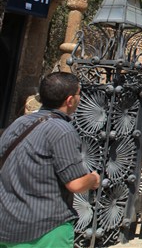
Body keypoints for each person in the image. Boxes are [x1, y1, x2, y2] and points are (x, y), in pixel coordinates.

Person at [0, 72, 100, 247]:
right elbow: (76, 184)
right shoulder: (62, 130)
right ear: (70, 100)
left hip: (6, 224)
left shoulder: (18, 123)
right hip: (45, 228)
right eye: (79, 94)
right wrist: (93, 179)